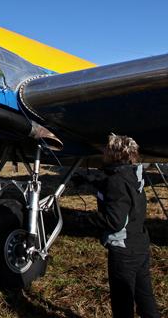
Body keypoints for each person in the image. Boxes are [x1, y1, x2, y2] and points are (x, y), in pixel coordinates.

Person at [86, 134, 160, 318]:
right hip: (140, 244)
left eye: (107, 148)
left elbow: (115, 221)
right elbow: (121, 192)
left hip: (123, 251)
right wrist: (89, 181)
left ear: (115, 154)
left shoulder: (115, 181)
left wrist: (83, 219)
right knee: (145, 297)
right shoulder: (132, 174)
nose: (103, 151)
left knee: (122, 302)